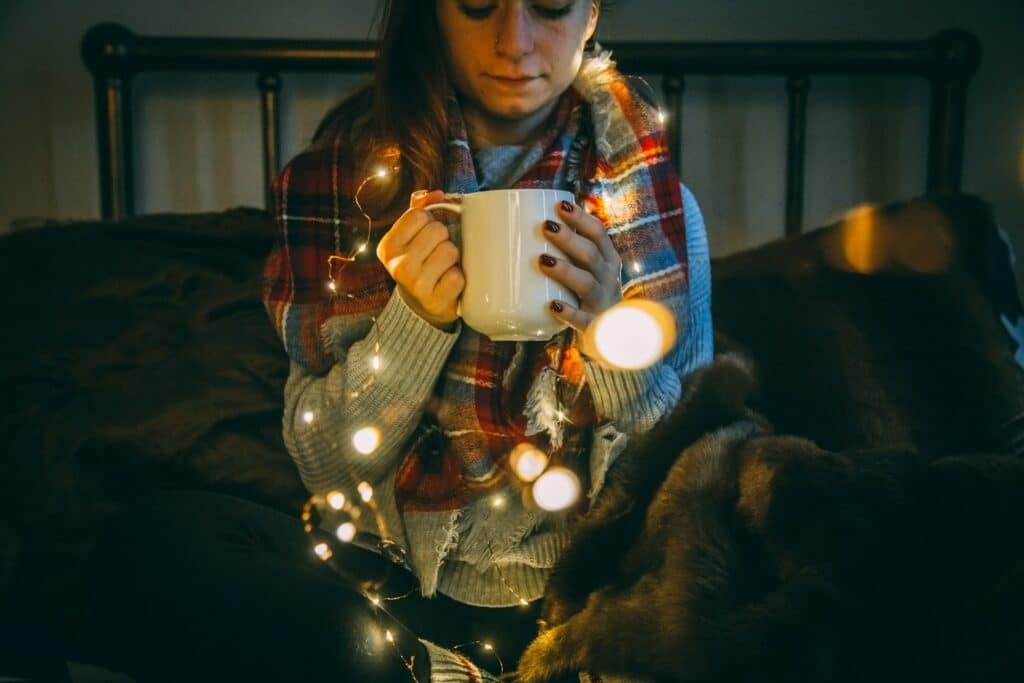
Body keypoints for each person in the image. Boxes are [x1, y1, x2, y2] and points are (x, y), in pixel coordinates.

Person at [83, 1, 712, 681]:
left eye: (551, 5)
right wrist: (416, 322)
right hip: (387, 591)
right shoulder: (344, 186)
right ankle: (436, 671)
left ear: (591, 13)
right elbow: (325, 466)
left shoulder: (652, 208)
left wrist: (607, 339)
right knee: (154, 542)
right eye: (477, 4)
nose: (515, 41)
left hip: (574, 604)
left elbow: (683, 477)